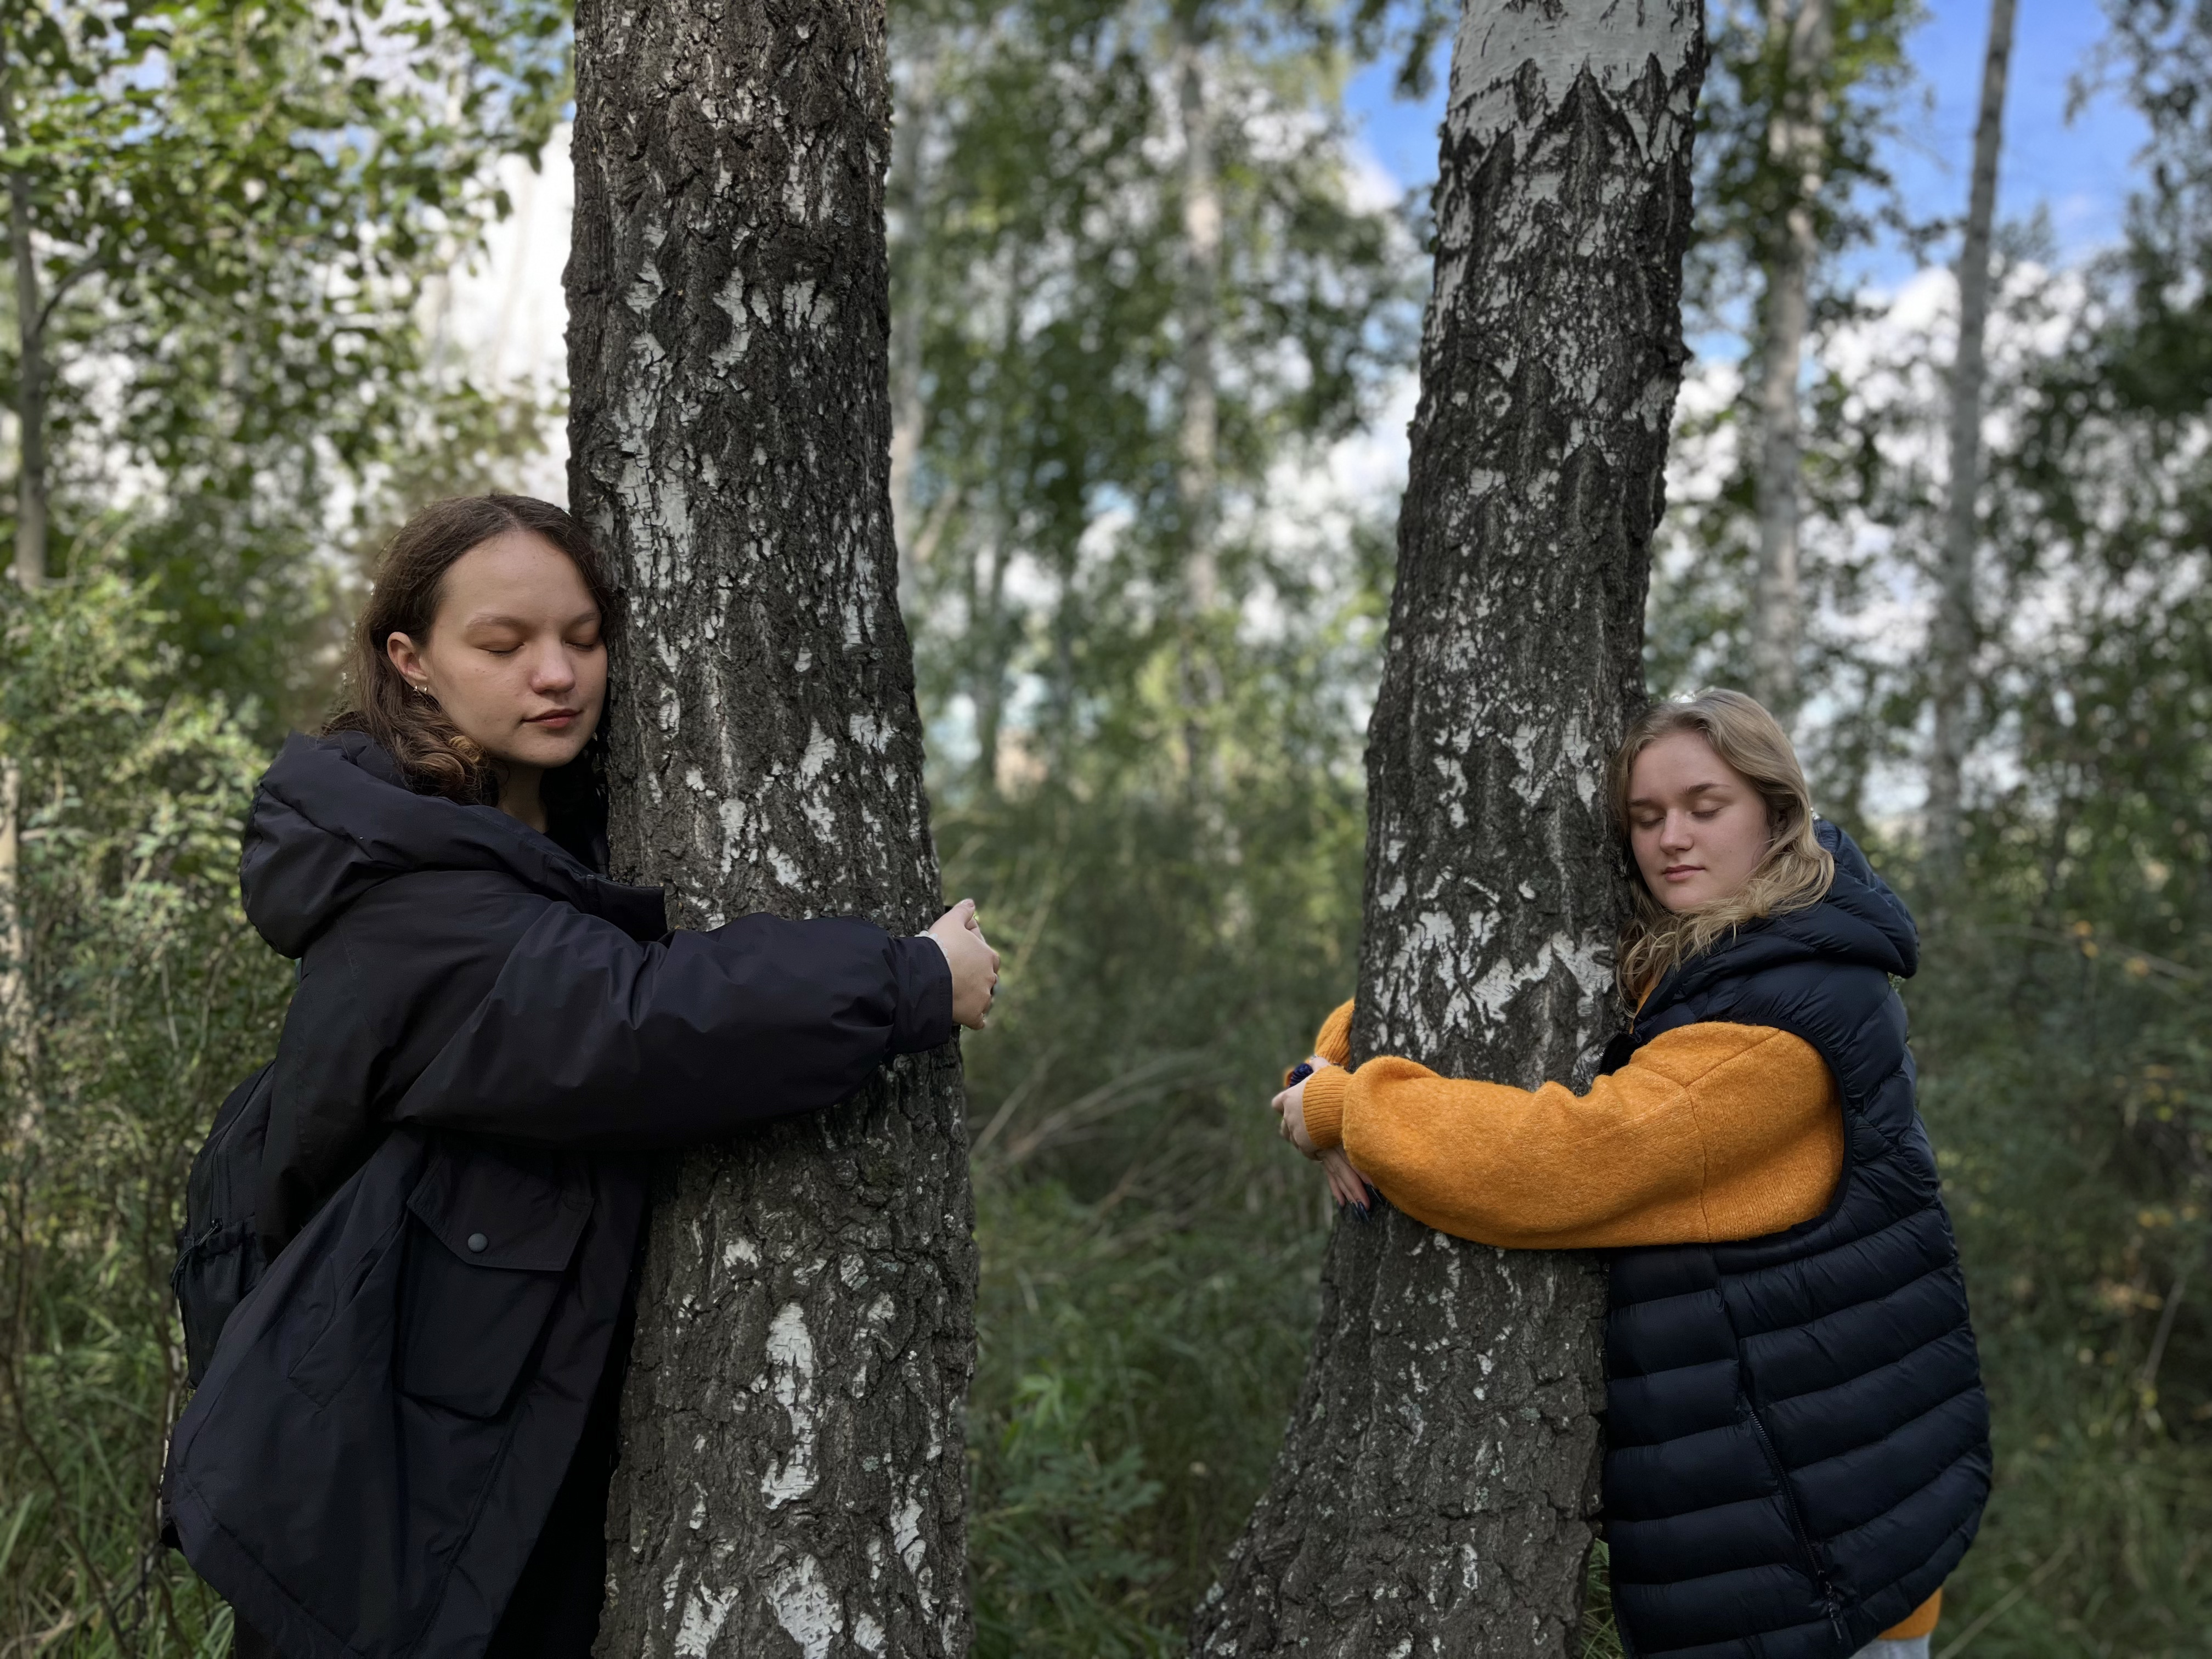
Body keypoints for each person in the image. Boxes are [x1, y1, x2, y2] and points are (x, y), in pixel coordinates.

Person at [162, 495, 1000, 1659]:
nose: (556, 674)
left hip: (487, 1449)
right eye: (502, 646)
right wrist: (907, 978)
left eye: (586, 637)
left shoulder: (561, 845)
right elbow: (630, 1021)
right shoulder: (400, 891)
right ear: (412, 663)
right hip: (386, 1497)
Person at [1271, 690, 1988, 1659]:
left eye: (1705, 806)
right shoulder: (1716, 959)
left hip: (1816, 1569)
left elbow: (1568, 1162)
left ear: (1778, 814)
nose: (1671, 839)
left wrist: (1353, 1110)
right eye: (1645, 818)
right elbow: (1452, 985)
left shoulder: (1780, 1023)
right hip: (1785, 1526)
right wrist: (1333, 1069)